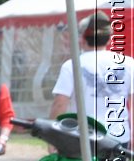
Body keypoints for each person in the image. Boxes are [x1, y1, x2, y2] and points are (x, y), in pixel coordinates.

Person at [50, 12, 127, 145]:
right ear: (109, 38)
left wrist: (53, 139)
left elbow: (60, 104)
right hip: (118, 138)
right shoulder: (128, 64)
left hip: (83, 137)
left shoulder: (71, 65)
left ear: (82, 38)